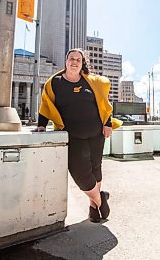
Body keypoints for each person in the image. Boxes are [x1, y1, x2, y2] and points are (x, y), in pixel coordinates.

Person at [36, 48, 122, 222]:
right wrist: (41, 125)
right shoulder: (54, 83)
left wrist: (107, 124)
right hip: (72, 136)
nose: (74, 62)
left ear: (82, 63)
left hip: (96, 133)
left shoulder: (93, 82)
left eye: (78, 59)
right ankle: (100, 200)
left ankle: (92, 207)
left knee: (95, 168)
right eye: (71, 58)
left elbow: (104, 105)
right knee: (80, 174)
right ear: (66, 61)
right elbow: (46, 105)